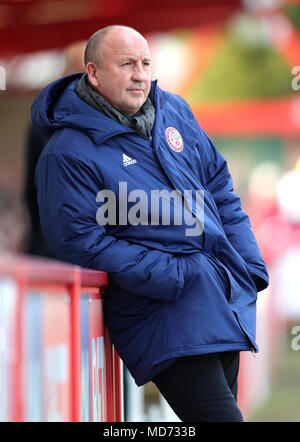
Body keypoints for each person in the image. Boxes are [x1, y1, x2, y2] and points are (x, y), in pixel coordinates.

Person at [31, 25, 269, 422]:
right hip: (161, 313)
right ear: (94, 73)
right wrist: (177, 275)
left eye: (145, 63)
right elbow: (78, 242)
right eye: (126, 64)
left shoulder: (174, 111)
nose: (140, 74)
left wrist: (246, 263)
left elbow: (220, 186)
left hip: (218, 296)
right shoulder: (66, 152)